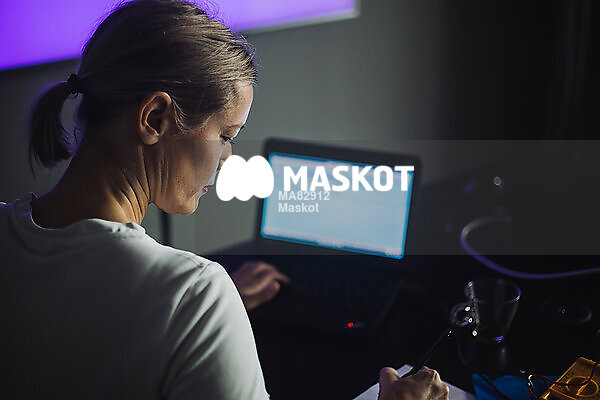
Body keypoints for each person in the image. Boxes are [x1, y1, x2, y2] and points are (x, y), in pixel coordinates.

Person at [0, 1, 450, 399]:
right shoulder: (194, 294)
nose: (226, 157)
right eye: (226, 134)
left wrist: (198, 320)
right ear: (154, 118)